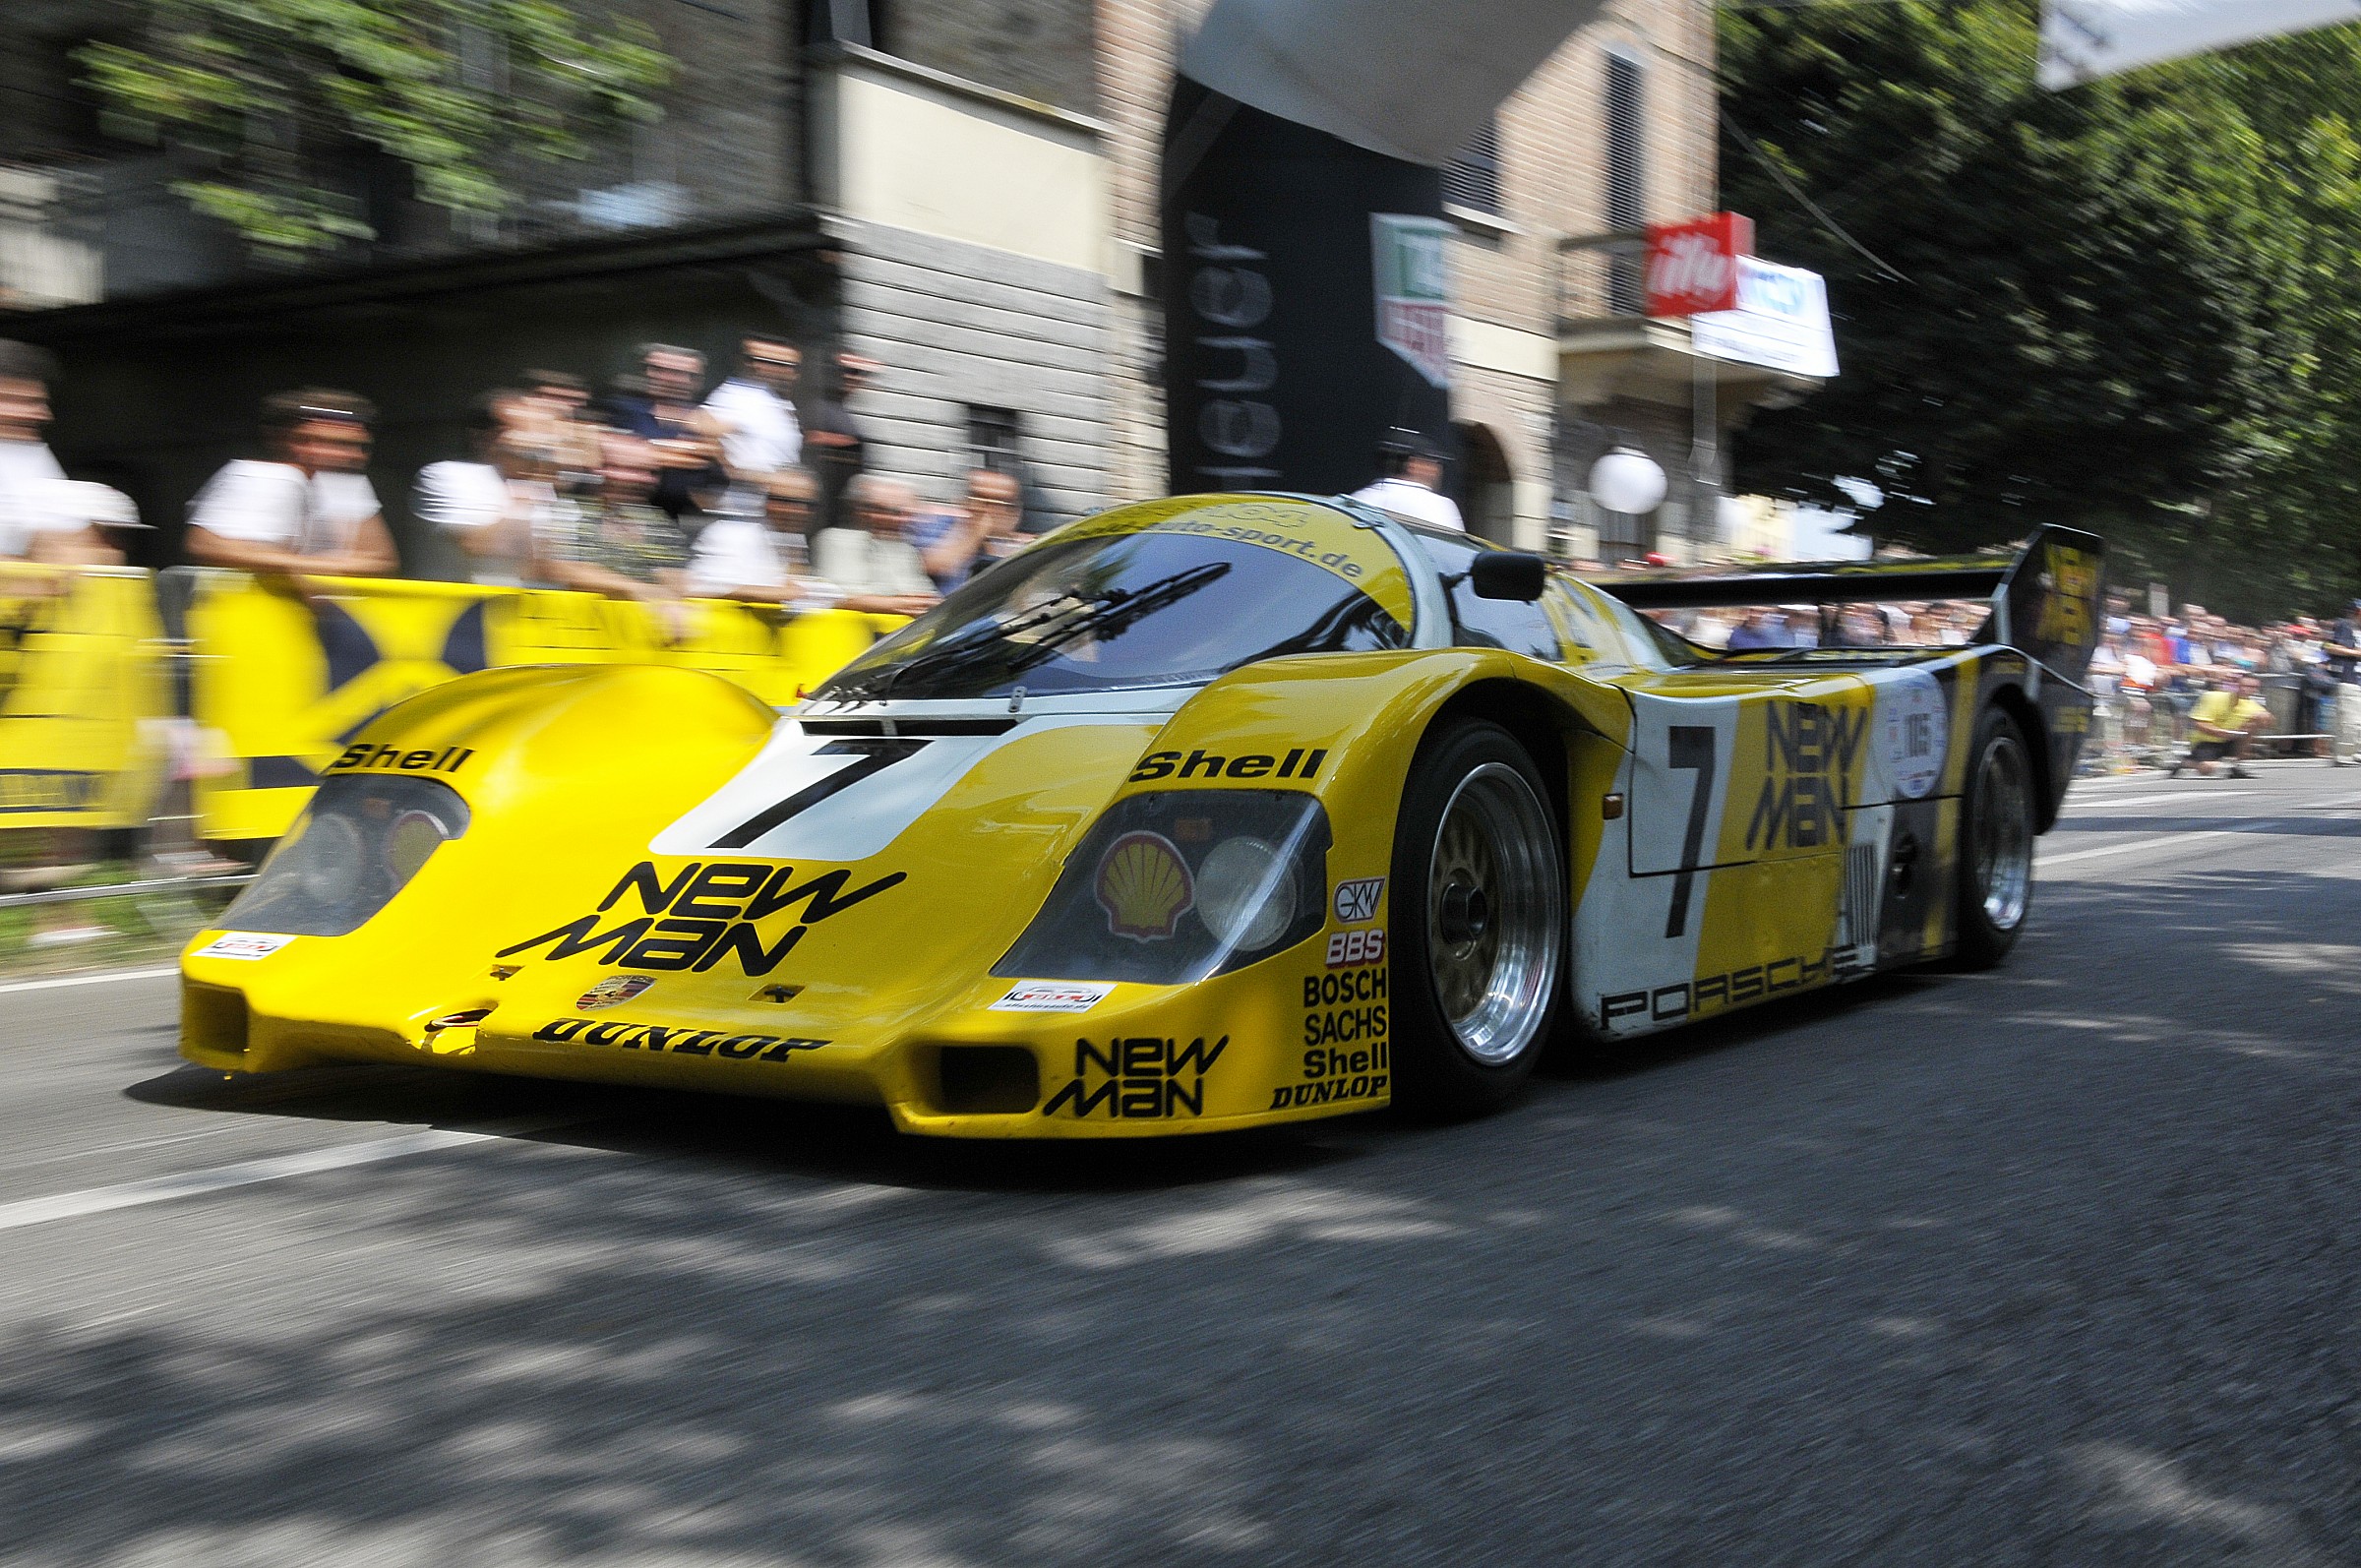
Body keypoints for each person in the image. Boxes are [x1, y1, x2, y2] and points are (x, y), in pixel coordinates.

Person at [184, 389, 397, 577]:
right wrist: (314, 566)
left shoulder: (347, 486)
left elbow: (381, 560)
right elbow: (204, 545)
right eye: (330, 442)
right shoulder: (263, 476)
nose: (349, 455)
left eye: (357, 446)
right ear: (289, 440)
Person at [413, 390, 574, 587]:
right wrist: (527, 490)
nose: (534, 439)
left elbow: (561, 560)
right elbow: (479, 546)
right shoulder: (447, 475)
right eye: (519, 428)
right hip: (466, 614)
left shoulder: (545, 487)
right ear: (483, 437)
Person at [0, 339, 118, 566]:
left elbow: (82, 552)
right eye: (26, 402)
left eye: (40, 402)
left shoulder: (29, 454)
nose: (43, 415)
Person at [538, 434, 691, 610]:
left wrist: (669, 601)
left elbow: (676, 581)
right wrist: (636, 588)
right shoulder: (570, 510)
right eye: (620, 468)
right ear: (599, 470)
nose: (632, 478)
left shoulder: (657, 522)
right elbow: (560, 569)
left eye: (642, 471)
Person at [604, 343, 726, 523]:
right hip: (627, 513)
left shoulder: (708, 420)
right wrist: (685, 453)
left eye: (678, 373)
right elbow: (612, 453)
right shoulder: (625, 410)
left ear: (695, 380)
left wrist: (648, 451)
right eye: (657, 369)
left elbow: (715, 461)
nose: (667, 378)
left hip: (687, 520)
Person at [684, 465, 833, 607]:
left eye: (807, 504)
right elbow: (701, 587)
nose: (796, 510)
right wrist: (776, 593)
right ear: (765, 500)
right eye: (783, 500)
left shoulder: (796, 542)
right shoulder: (727, 534)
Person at [815, 475, 941, 616]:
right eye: (880, 509)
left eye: (899, 512)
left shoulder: (906, 551)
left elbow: (927, 597)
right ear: (859, 510)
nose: (890, 518)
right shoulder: (837, 540)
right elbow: (837, 596)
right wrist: (898, 603)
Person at [700, 333, 803, 508]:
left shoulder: (780, 402)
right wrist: (749, 475)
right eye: (758, 360)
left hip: (779, 511)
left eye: (791, 366)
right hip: (742, 511)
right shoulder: (735, 395)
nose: (788, 371)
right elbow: (703, 429)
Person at [799, 349, 875, 534]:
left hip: (838, 515)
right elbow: (808, 440)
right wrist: (852, 443)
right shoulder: (817, 406)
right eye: (847, 371)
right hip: (813, 511)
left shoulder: (843, 412)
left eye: (860, 373)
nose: (853, 378)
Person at [914, 468, 1027, 591]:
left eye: (1000, 503)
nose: (990, 510)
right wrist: (975, 535)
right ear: (965, 502)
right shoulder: (941, 524)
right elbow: (929, 565)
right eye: (981, 500)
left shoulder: (1017, 545)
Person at [1351, 427, 1465, 531]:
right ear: (1414, 464)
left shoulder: (1358, 499)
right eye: (1434, 462)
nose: (1437, 470)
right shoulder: (1439, 506)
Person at [2326, 598, 2361, 766]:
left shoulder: (2357, 630)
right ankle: (2344, 756)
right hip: (2349, 677)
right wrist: (2356, 653)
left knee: (2358, 720)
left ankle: (2355, 752)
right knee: (2349, 719)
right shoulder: (2344, 626)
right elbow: (2329, 647)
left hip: (2357, 679)